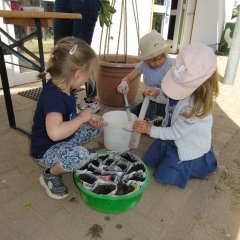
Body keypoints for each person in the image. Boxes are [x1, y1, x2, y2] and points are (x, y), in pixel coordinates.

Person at [132, 42, 219, 189]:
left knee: (163, 177)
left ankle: (204, 168)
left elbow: (176, 132)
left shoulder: (196, 107)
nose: (174, 89)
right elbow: (170, 97)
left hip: (185, 145)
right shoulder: (186, 86)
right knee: (149, 160)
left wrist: (150, 129)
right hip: (172, 136)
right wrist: (157, 93)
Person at [31, 37, 104, 199]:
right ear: (78, 74)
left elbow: (71, 113)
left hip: (62, 140)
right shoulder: (53, 97)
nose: (88, 79)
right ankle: (49, 174)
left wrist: (87, 117)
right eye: (89, 75)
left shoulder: (67, 87)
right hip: (46, 151)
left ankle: (71, 152)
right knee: (81, 155)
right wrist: (80, 119)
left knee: (96, 125)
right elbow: (55, 134)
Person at [117, 30, 174, 125]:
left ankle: (156, 119)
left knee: (147, 120)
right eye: (152, 61)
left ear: (165, 54)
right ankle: (150, 118)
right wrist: (124, 82)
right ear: (146, 59)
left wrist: (157, 92)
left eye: (160, 59)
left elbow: (173, 91)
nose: (156, 63)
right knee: (130, 115)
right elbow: (129, 78)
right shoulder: (144, 65)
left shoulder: (170, 65)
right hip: (148, 100)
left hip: (165, 102)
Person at [54, 0, 101, 113]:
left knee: (81, 53)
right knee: (60, 50)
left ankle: (91, 99)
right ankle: (66, 96)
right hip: (61, 2)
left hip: (85, 2)